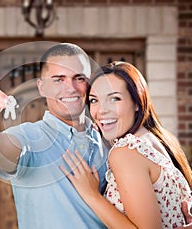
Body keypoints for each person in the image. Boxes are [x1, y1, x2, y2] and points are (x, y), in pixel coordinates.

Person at [0, 43, 108, 228]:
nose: (71, 88)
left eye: (79, 78)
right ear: (42, 87)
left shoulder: (107, 139)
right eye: (58, 79)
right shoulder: (29, 137)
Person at [60, 61, 192, 228]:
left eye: (114, 98)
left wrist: (91, 194)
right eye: (94, 101)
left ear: (137, 102)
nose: (101, 111)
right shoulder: (160, 140)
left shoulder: (126, 152)